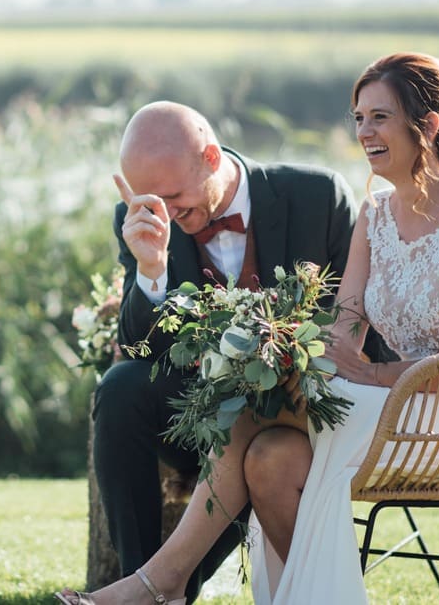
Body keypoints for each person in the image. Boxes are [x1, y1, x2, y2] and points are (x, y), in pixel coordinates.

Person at [60, 53, 439, 605]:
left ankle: (157, 586)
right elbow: (343, 330)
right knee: (267, 456)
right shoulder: (374, 216)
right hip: (364, 398)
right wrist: (277, 347)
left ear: (427, 125)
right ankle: (179, 588)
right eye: (358, 117)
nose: (364, 132)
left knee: (249, 409)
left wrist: (371, 372)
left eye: (379, 117)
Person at [61, 100, 369, 604]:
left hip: (301, 410)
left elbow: (350, 322)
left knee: (249, 418)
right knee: (119, 389)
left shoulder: (315, 196)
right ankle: (147, 579)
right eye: (149, 199)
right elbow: (139, 348)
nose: (166, 213)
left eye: (174, 196)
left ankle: (156, 593)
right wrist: (151, 269)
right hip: (194, 415)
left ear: (209, 156)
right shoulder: (139, 219)